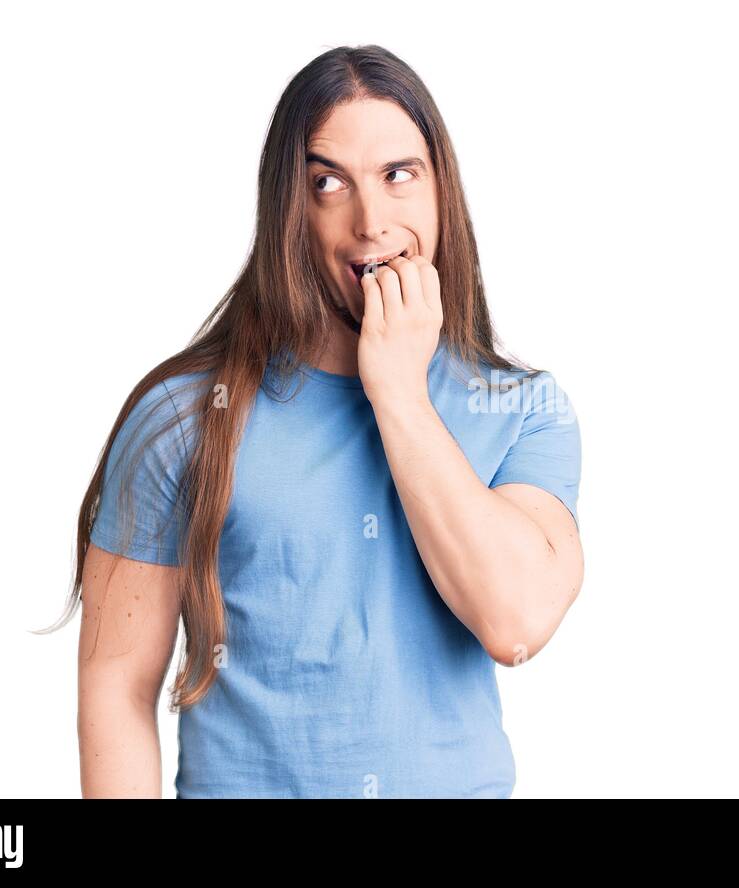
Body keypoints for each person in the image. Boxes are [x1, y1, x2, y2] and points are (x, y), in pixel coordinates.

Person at [50, 45, 583, 798]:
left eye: (399, 175)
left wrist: (397, 390)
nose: (371, 222)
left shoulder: (524, 410)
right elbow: (115, 690)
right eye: (329, 183)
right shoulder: (182, 419)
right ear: (289, 209)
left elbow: (515, 621)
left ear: (442, 194)